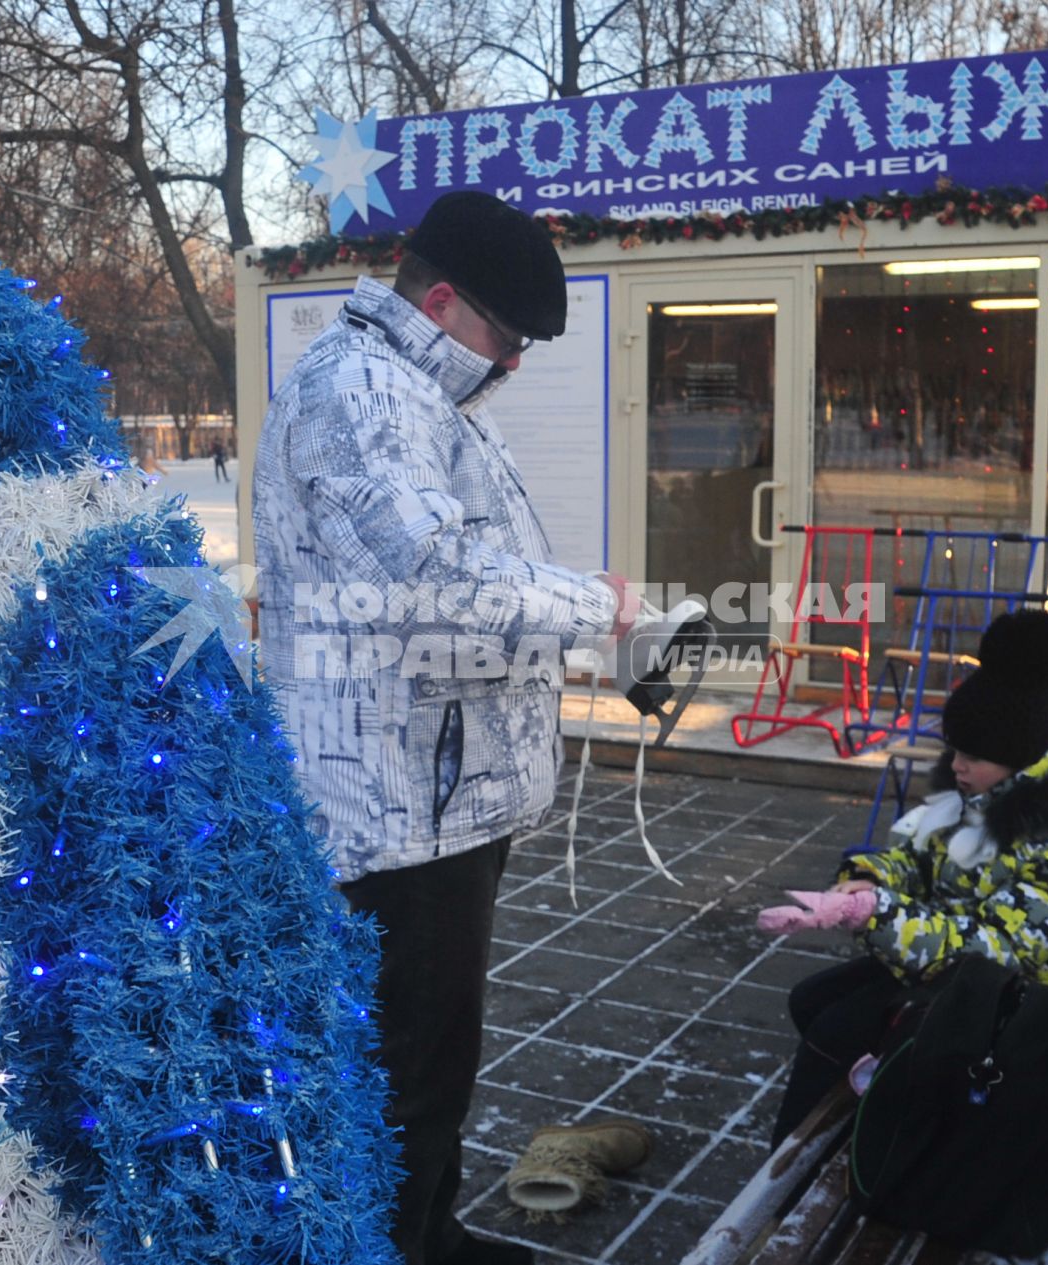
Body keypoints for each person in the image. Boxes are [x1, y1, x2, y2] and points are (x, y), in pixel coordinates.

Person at [251, 190, 634, 1265]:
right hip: (394, 813)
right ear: (448, 300)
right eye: (509, 338)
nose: (512, 363)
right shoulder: (364, 393)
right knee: (406, 1068)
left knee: (432, 1060)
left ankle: (427, 1232)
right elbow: (440, 579)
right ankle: (393, 1246)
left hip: (437, 796)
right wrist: (597, 609)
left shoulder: (420, 389)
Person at [758, 608, 1048, 1144]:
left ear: (1020, 759)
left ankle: (796, 1175)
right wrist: (868, 878)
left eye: (974, 756)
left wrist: (877, 915)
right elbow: (923, 863)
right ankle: (843, 1136)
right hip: (956, 968)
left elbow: (1000, 948)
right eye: (954, 750)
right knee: (811, 1000)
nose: (957, 766)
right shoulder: (982, 795)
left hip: (1021, 1000)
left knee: (838, 1027)